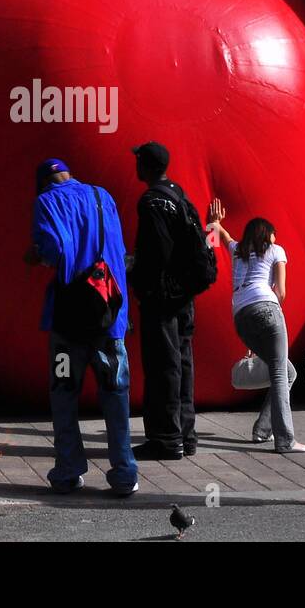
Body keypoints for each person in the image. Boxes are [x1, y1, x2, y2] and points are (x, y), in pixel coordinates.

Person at [26, 158, 139, 497]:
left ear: (44, 182)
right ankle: (124, 473)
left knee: (64, 394)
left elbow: (53, 249)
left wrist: (35, 256)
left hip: (69, 319)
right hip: (110, 315)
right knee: (116, 394)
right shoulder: (103, 196)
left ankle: (69, 470)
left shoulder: (45, 201)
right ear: (69, 175)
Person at [205, 201, 305, 454]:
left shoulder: (237, 250)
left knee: (287, 373)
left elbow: (216, 238)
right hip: (267, 309)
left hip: (241, 316)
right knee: (278, 372)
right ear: (268, 234)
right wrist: (276, 313)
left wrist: (212, 220)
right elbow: (281, 292)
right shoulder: (276, 250)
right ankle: (285, 440)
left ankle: (262, 430)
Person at [130, 141, 199, 460]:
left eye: (138, 161)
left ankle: (165, 439)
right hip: (184, 296)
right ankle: (187, 435)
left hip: (162, 297)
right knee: (183, 362)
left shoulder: (153, 201)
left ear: (145, 166)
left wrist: (138, 277)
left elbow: (157, 251)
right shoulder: (179, 195)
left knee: (162, 366)